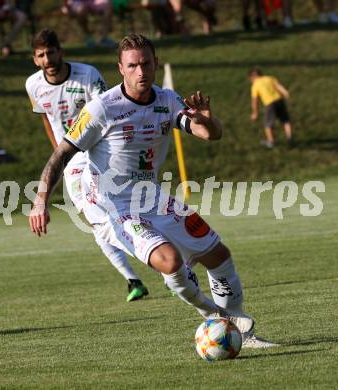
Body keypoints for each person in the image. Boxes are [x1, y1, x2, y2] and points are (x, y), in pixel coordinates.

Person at [29, 33, 278, 348]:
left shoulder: (167, 100)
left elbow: (209, 134)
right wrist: (40, 202)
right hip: (112, 207)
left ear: (156, 63)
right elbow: (61, 154)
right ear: (121, 68)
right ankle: (215, 316)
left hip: (152, 198)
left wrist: (208, 121)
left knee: (219, 255)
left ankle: (243, 334)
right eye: (132, 65)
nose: (141, 72)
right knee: (170, 261)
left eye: (146, 63)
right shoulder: (102, 109)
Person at [25, 29, 149, 302]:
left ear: (61, 51)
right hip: (69, 158)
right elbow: (46, 118)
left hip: (97, 152)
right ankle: (135, 279)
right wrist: (58, 152)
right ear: (35, 60)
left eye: (52, 52)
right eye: (41, 55)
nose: (48, 59)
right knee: (97, 222)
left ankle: (167, 266)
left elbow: (108, 111)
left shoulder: (88, 75)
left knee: (115, 215)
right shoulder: (32, 85)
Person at [249, 68, 293, 148]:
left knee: (268, 123)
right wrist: (285, 93)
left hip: (269, 104)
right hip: (279, 100)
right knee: (286, 120)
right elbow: (279, 86)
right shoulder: (270, 78)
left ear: (253, 77)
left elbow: (255, 100)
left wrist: (255, 113)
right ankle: (289, 138)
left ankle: (271, 141)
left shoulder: (256, 84)